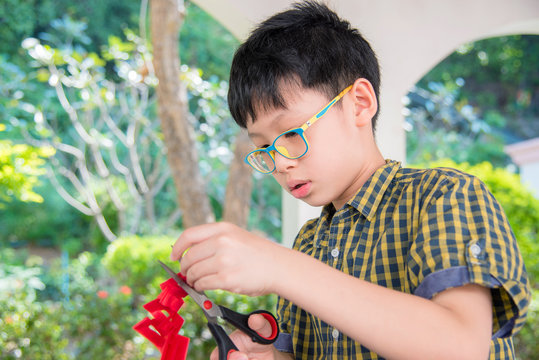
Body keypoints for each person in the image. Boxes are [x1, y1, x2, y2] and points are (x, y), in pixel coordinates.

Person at [170, 1, 531, 359]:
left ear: (359, 102)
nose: (279, 162)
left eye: (292, 132)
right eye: (263, 146)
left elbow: (460, 347)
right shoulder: (309, 244)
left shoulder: (445, 197)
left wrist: (281, 266)